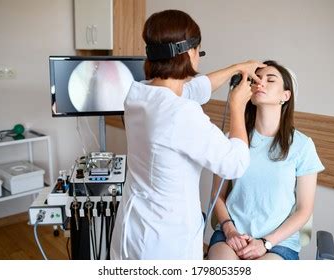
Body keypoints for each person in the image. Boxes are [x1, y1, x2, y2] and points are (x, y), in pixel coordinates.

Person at [110, 9, 265, 260]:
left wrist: (237, 67)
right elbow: (234, 164)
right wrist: (238, 106)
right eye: (199, 51)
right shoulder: (180, 113)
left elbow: (194, 89)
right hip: (164, 241)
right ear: (190, 52)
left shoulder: (139, 94)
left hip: (134, 227)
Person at [207, 60, 325, 260]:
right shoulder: (233, 140)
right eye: (257, 79)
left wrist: (266, 242)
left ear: (285, 96)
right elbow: (217, 196)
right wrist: (229, 229)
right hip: (232, 234)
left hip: (278, 243)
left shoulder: (302, 146)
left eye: (270, 80)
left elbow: (304, 210)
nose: (260, 83)